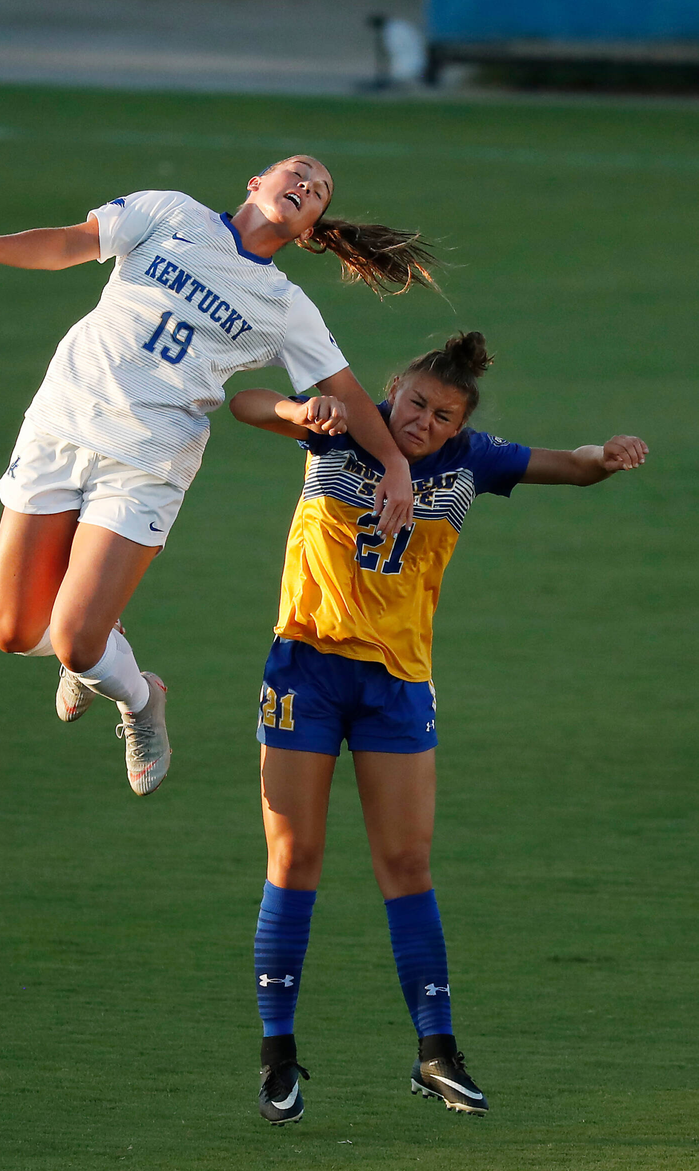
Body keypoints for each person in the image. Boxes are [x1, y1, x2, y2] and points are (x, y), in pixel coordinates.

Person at [229, 332, 647, 1123]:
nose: (422, 421)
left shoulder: (471, 463)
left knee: (408, 863)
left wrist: (608, 453)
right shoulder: (342, 425)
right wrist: (297, 406)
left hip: (397, 685)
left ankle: (436, 1053)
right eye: (415, 402)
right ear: (393, 388)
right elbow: (245, 404)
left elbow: (571, 465)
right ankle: (277, 1057)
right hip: (306, 669)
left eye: (441, 414)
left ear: (459, 425)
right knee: (294, 857)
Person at [0, 156, 437, 795]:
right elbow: (73, 243)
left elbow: (346, 390)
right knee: (14, 633)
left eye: (320, 192)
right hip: (60, 426)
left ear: (309, 229)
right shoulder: (170, 212)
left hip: (148, 461)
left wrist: (393, 463)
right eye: (299, 172)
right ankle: (102, 637)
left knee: (77, 645)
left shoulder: (284, 305)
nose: (307, 186)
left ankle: (140, 701)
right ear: (257, 182)